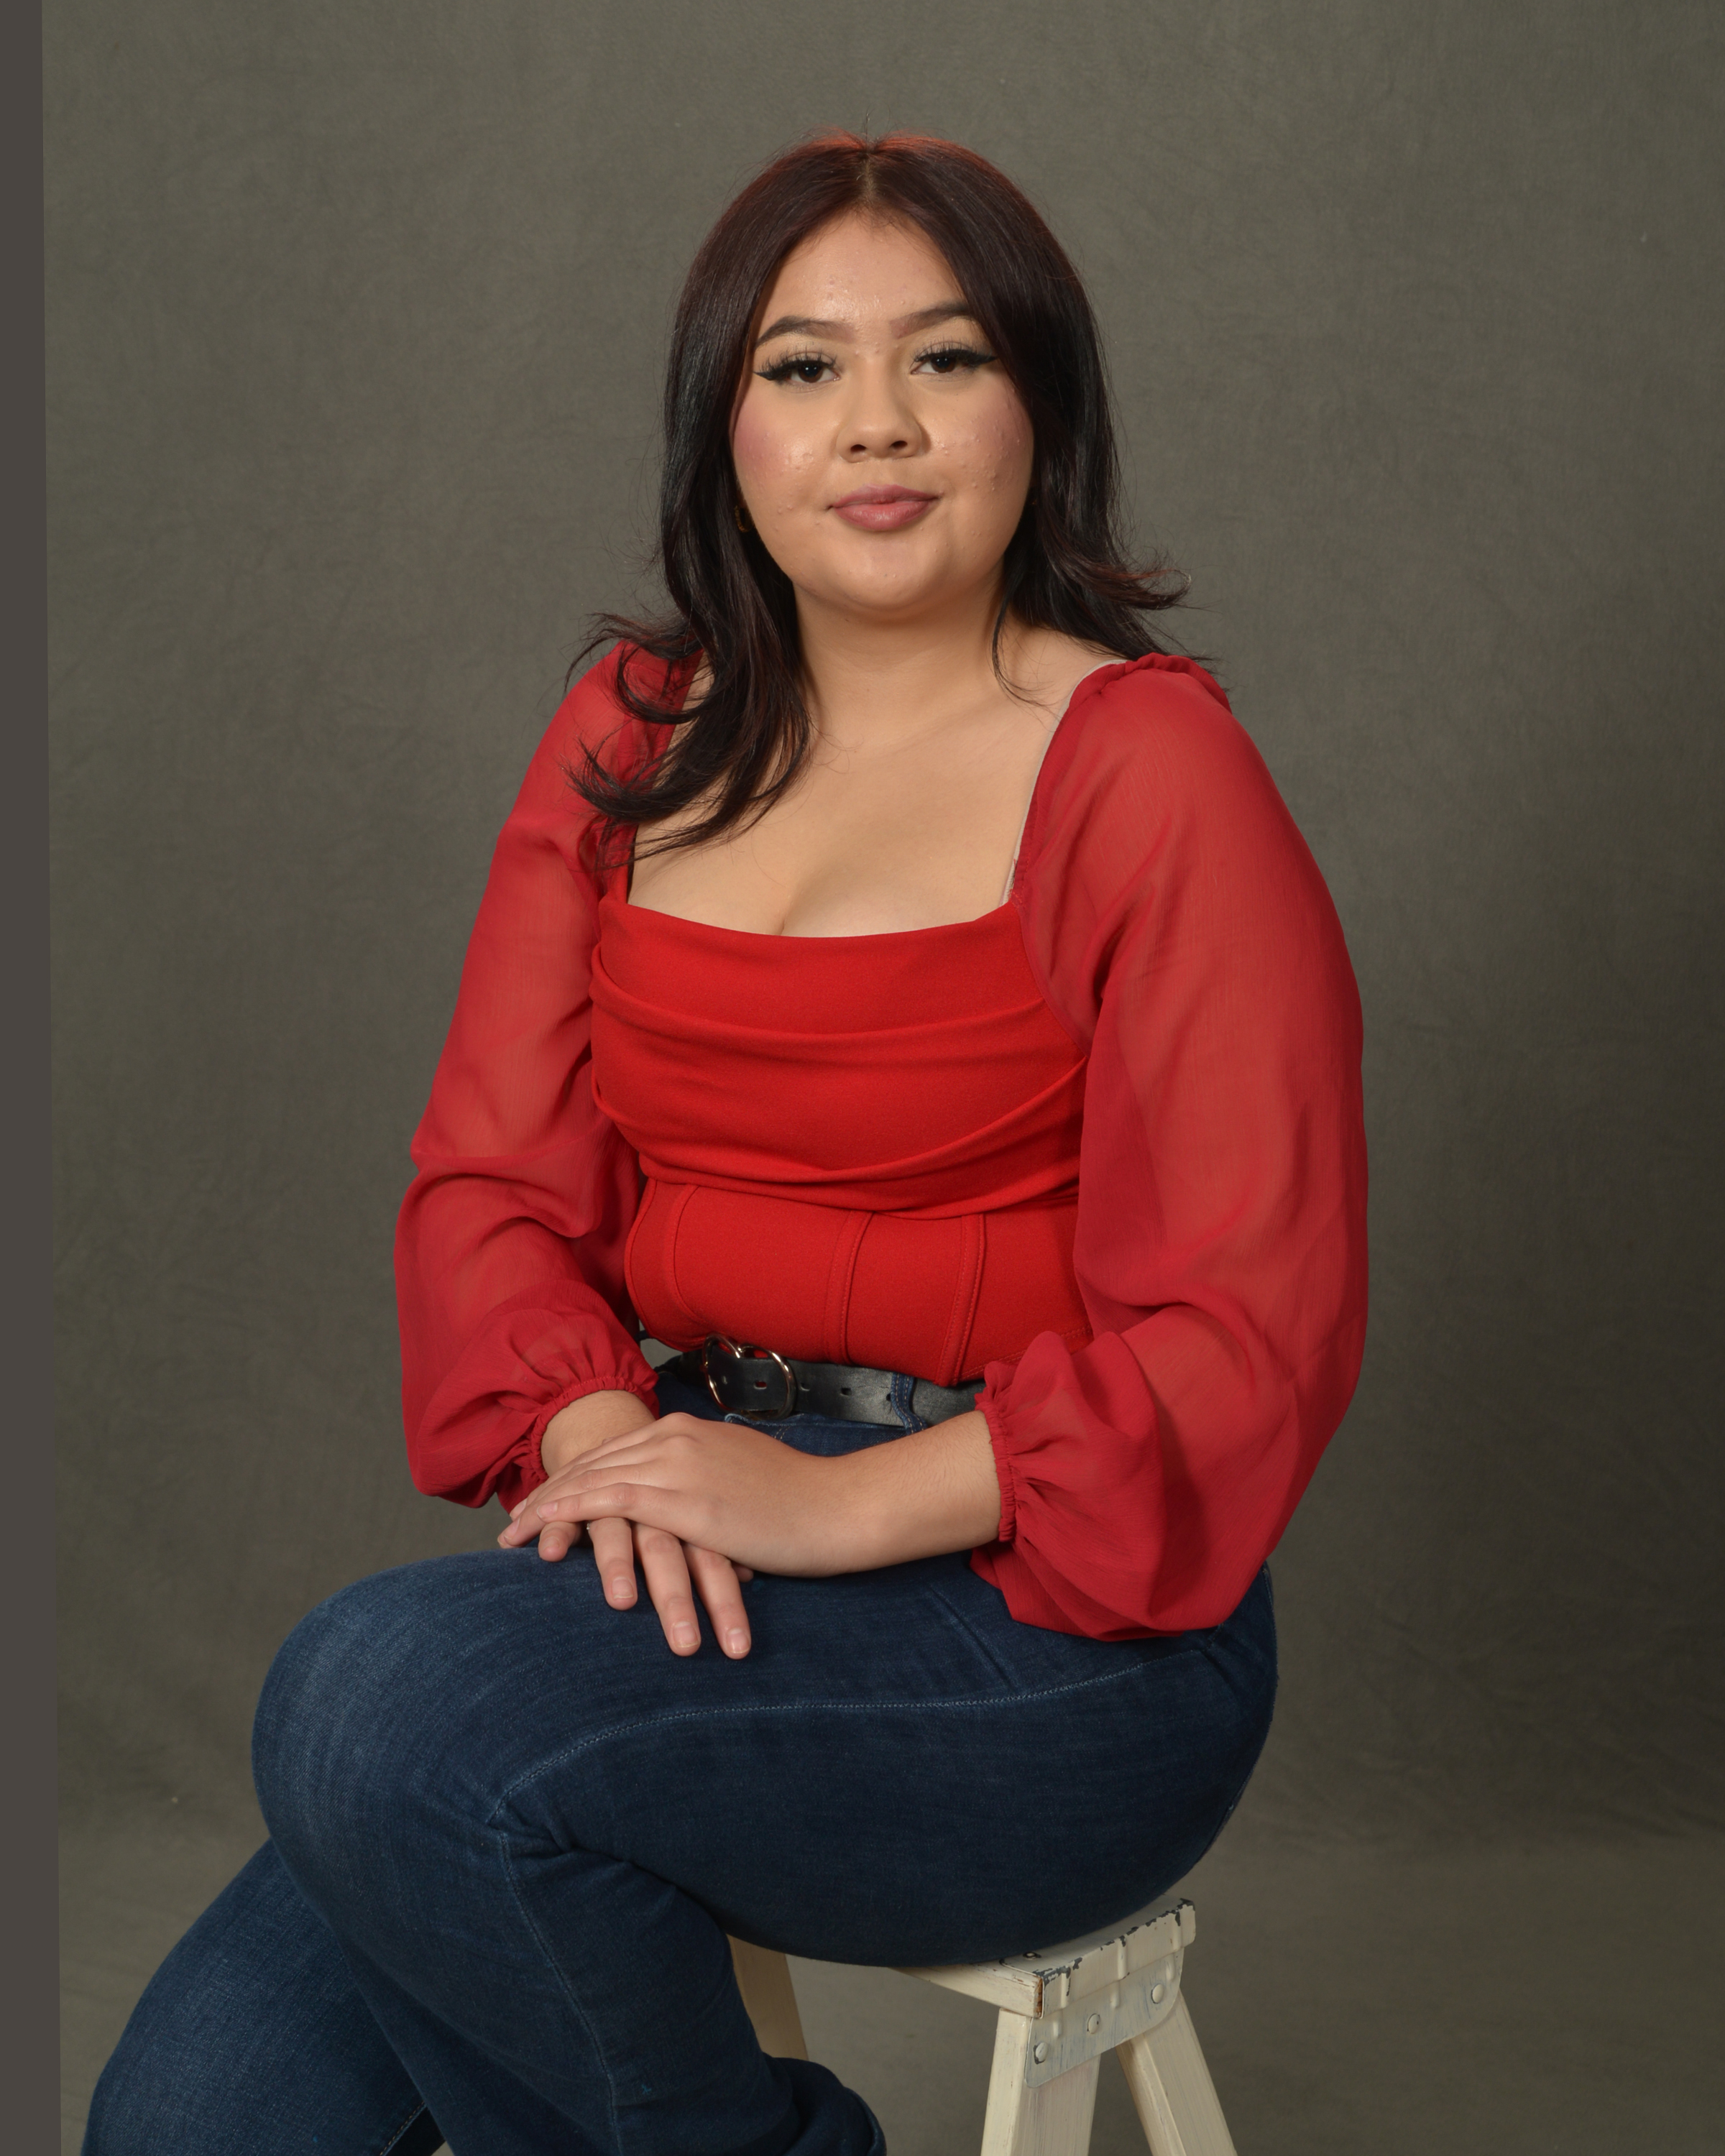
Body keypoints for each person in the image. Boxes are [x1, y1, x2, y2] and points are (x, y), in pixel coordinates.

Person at [84, 132, 1367, 2156]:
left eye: (948, 357)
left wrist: (829, 1511)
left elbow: (1245, 1339)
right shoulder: (634, 732)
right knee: (188, 2124)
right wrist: (614, 1453)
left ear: (1041, 401)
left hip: (1048, 1622)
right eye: (803, 366)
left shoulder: (1154, 772)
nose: (878, 424)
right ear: (725, 424)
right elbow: (495, 1188)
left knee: (367, 1696)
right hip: (685, 1509)